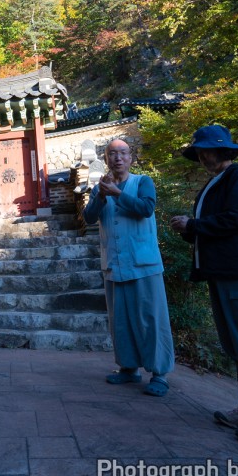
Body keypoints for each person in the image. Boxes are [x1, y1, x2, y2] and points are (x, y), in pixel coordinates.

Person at [168, 125, 238, 448]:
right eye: (201, 152)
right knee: (234, 344)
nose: (204, 157)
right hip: (222, 272)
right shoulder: (216, 182)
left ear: (224, 151)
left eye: (209, 150)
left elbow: (237, 218)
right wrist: (189, 229)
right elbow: (217, 225)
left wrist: (194, 225)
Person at [83, 139, 175, 396]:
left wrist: (118, 194)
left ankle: (160, 374)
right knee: (120, 321)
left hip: (144, 263)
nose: (118, 158)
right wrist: (101, 195)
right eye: (112, 154)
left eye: (122, 153)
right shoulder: (99, 188)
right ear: (106, 158)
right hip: (114, 263)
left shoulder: (142, 182)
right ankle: (128, 368)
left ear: (131, 157)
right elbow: (89, 218)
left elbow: (146, 208)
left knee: (151, 319)